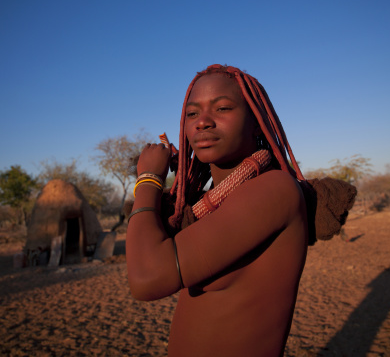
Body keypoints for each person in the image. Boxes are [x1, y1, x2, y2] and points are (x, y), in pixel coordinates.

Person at [126, 64, 309, 356]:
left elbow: (147, 279)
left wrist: (148, 179)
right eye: (192, 114)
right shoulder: (217, 199)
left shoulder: (274, 189)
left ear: (256, 121)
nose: (202, 123)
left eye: (222, 108)